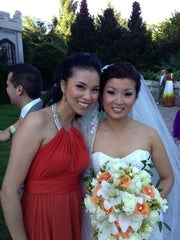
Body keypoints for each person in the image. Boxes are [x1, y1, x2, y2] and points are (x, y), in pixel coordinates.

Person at [0, 52, 102, 240]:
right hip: (41, 215)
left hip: (73, 214)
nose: (88, 96)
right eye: (80, 87)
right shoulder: (36, 122)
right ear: (63, 85)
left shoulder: (79, 127)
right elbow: (8, 191)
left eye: (94, 89)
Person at [81, 63, 179, 240]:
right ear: (101, 94)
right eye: (111, 92)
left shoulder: (149, 134)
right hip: (106, 225)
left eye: (127, 94)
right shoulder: (89, 136)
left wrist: (144, 205)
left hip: (143, 224)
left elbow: (168, 177)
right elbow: (82, 183)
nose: (119, 101)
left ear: (136, 97)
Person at [0, 63, 43, 143]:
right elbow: (11, 130)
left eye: (8, 85)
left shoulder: (33, 121)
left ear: (19, 90)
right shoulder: (32, 110)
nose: (6, 89)